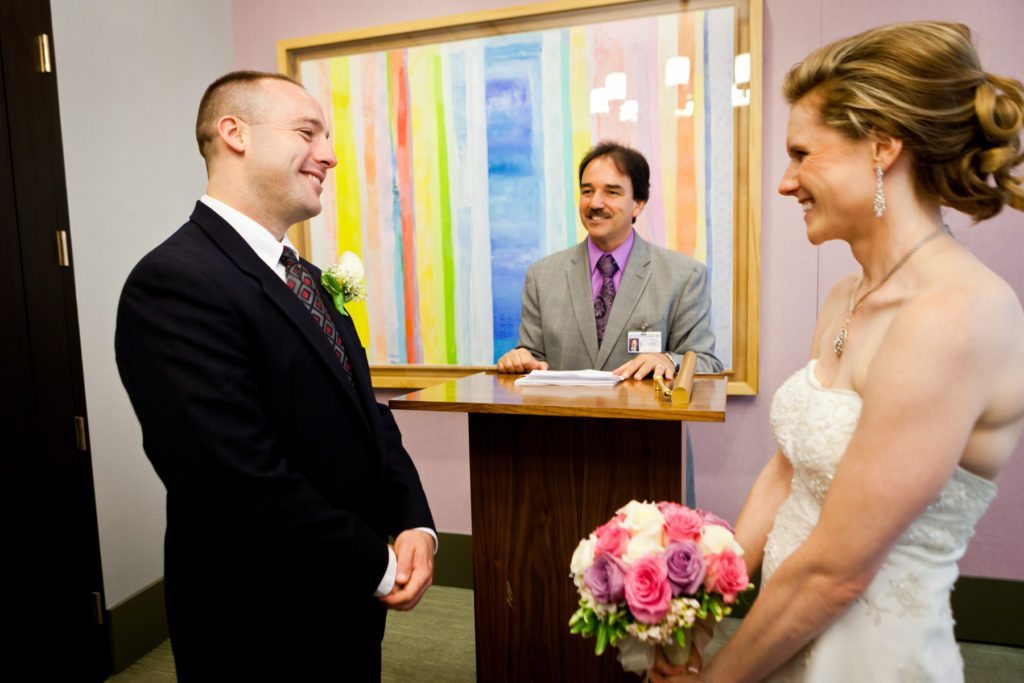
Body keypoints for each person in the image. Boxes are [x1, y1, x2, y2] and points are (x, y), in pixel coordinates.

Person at [651, 21, 1024, 682]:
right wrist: (708, 597)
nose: (786, 182)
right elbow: (789, 469)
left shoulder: (956, 314)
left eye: (802, 154)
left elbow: (836, 573)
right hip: (788, 634)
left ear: (881, 148)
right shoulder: (848, 295)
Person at [115, 71, 436, 681]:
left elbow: (366, 411)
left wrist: (412, 519)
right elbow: (234, 479)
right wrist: (377, 562)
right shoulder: (176, 282)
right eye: (306, 131)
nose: (330, 154)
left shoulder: (309, 278)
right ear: (234, 133)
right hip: (258, 622)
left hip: (344, 605)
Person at [495, 142, 723, 380]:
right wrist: (519, 358)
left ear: (638, 203)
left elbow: (706, 362)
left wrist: (668, 360)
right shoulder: (541, 276)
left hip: (643, 417)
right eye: (587, 191)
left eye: (611, 192)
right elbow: (532, 357)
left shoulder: (684, 276)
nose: (595, 203)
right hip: (560, 416)